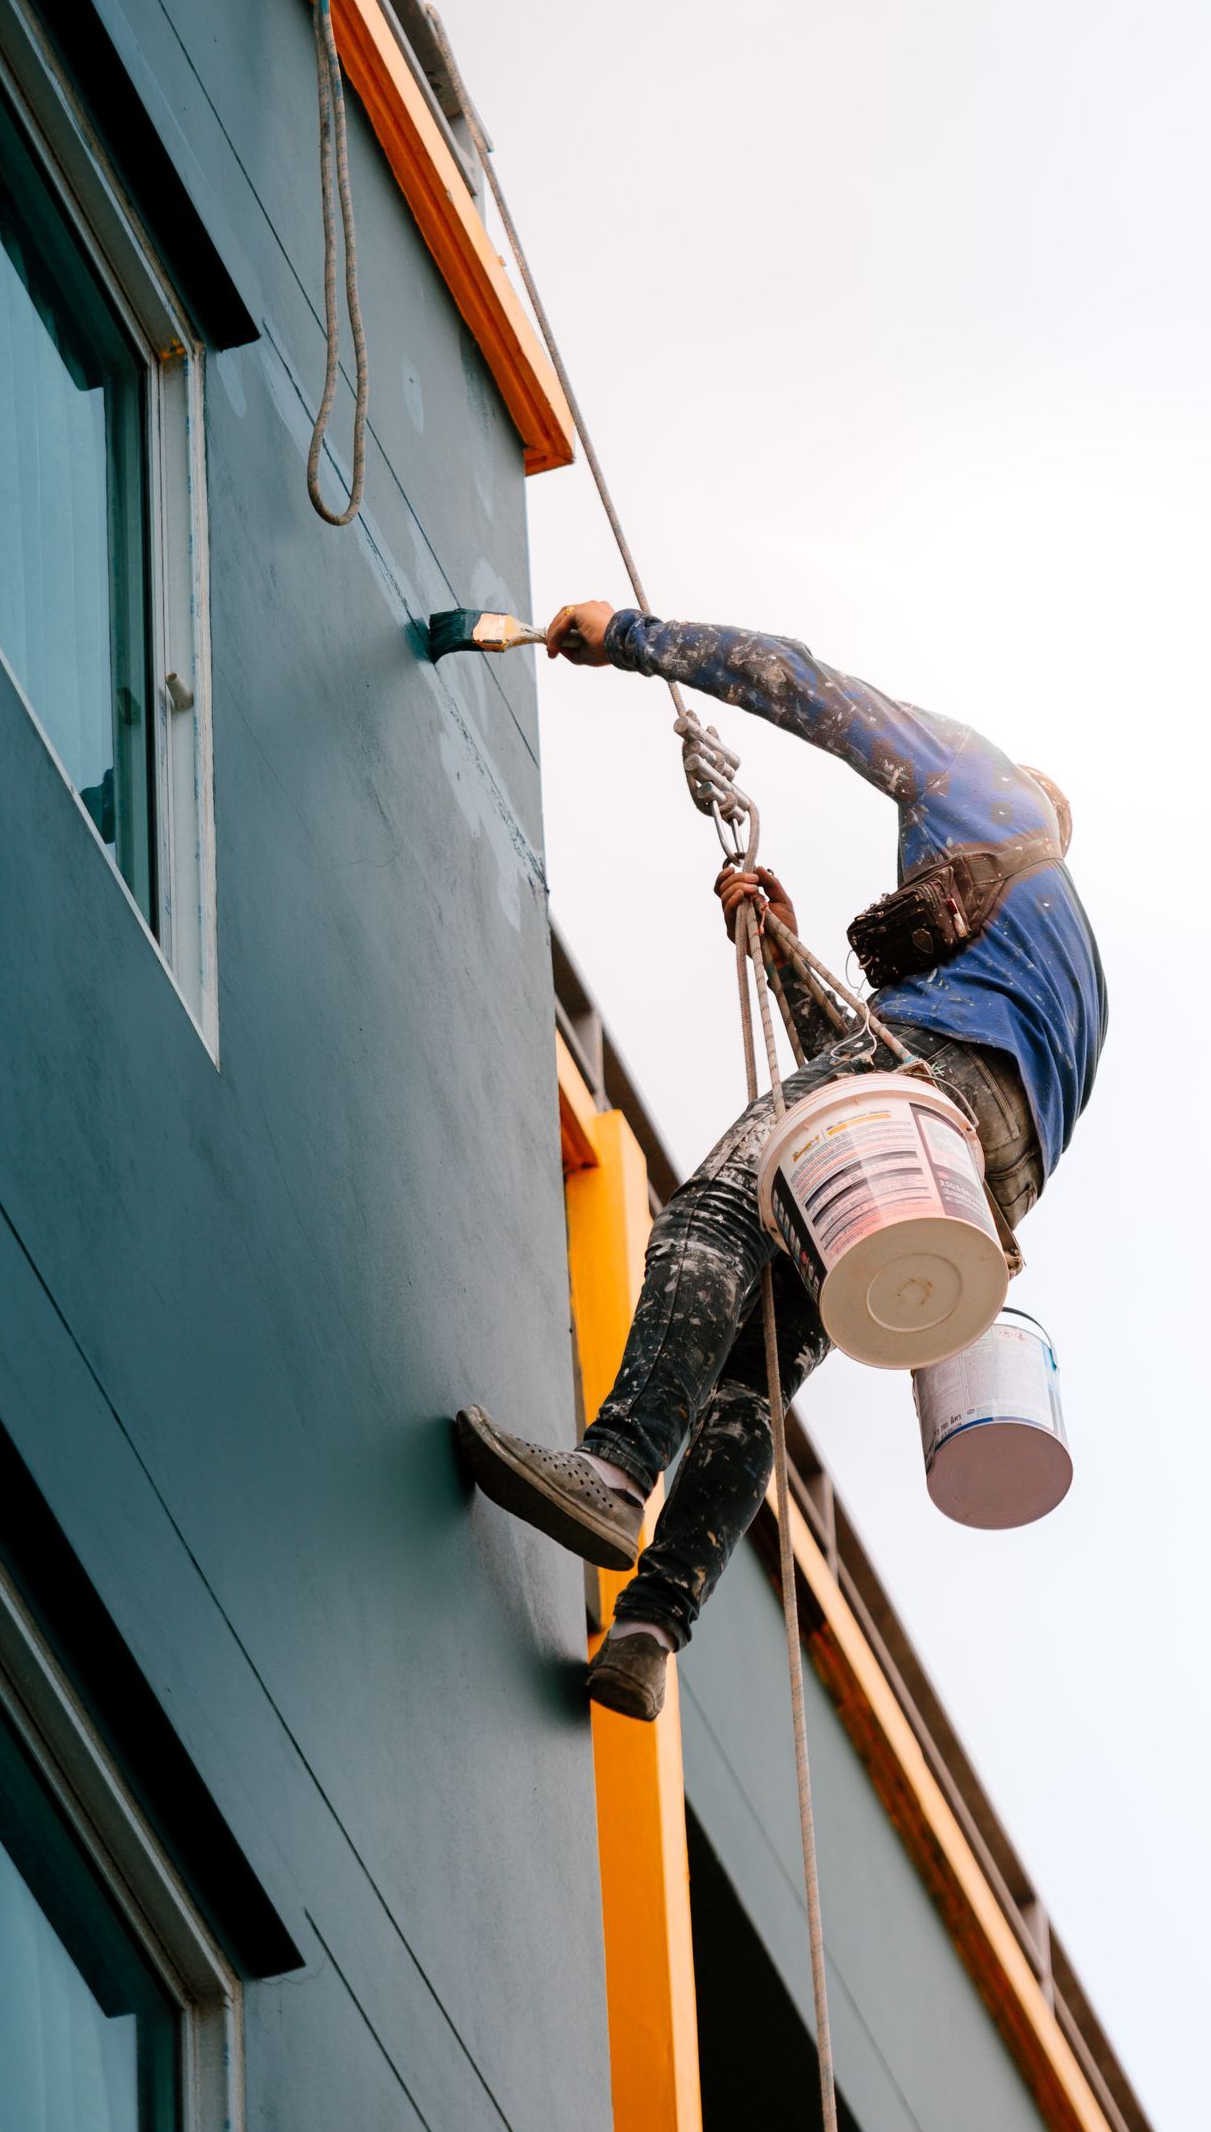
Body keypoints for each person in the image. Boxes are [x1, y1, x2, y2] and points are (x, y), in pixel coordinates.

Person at [455, 601, 1107, 1719]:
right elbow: (900, 1100)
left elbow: (797, 679)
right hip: (979, 1170)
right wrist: (784, 950)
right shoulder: (1067, 956)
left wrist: (622, 637)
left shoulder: (975, 779)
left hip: (924, 1082)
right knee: (757, 1363)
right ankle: (653, 1629)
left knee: (714, 1210)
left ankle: (614, 1473)